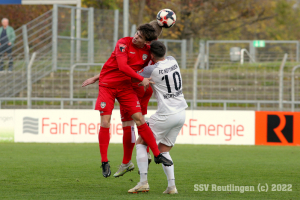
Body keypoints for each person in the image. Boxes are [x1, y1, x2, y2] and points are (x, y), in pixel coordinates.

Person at [81, 23, 172, 178]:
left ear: (147, 42)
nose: (135, 37)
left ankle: (156, 155)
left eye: (140, 37)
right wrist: (140, 78)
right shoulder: (123, 43)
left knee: (139, 119)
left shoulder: (148, 52)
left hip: (126, 87)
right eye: (136, 33)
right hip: (107, 86)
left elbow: (157, 56)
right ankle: (104, 161)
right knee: (105, 122)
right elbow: (122, 66)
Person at [128, 41, 188, 194]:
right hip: (181, 112)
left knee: (141, 141)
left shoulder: (150, 69)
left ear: (152, 55)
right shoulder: (173, 60)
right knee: (164, 149)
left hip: (166, 114)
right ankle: (171, 186)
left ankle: (143, 182)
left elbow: (133, 78)